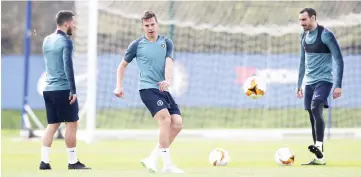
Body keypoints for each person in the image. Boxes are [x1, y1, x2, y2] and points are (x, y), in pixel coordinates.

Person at [114, 10, 184, 173]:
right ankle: (167, 165)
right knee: (165, 120)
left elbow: (169, 62)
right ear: (143, 27)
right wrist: (119, 86)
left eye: (152, 24)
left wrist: (168, 80)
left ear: (157, 24)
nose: (150, 28)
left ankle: (152, 158)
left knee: (178, 124)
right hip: (147, 88)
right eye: (147, 25)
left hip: (162, 88)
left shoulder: (167, 42)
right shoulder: (137, 45)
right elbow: (122, 65)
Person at [40, 10, 90, 170]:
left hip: (48, 89)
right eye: (74, 23)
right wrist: (73, 90)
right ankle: (72, 161)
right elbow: (67, 66)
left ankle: (44, 162)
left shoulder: (47, 40)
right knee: (72, 123)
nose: (75, 26)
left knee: (52, 125)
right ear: (67, 23)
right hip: (62, 89)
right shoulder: (66, 42)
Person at [297, 8, 344, 165]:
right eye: (300, 20)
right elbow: (302, 61)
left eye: (304, 20)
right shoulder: (303, 36)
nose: (301, 23)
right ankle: (320, 157)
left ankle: (318, 146)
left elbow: (338, 59)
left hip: (324, 80)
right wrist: (299, 84)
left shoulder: (326, 35)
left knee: (317, 105)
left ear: (313, 18)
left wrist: (338, 85)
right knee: (312, 116)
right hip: (309, 83)